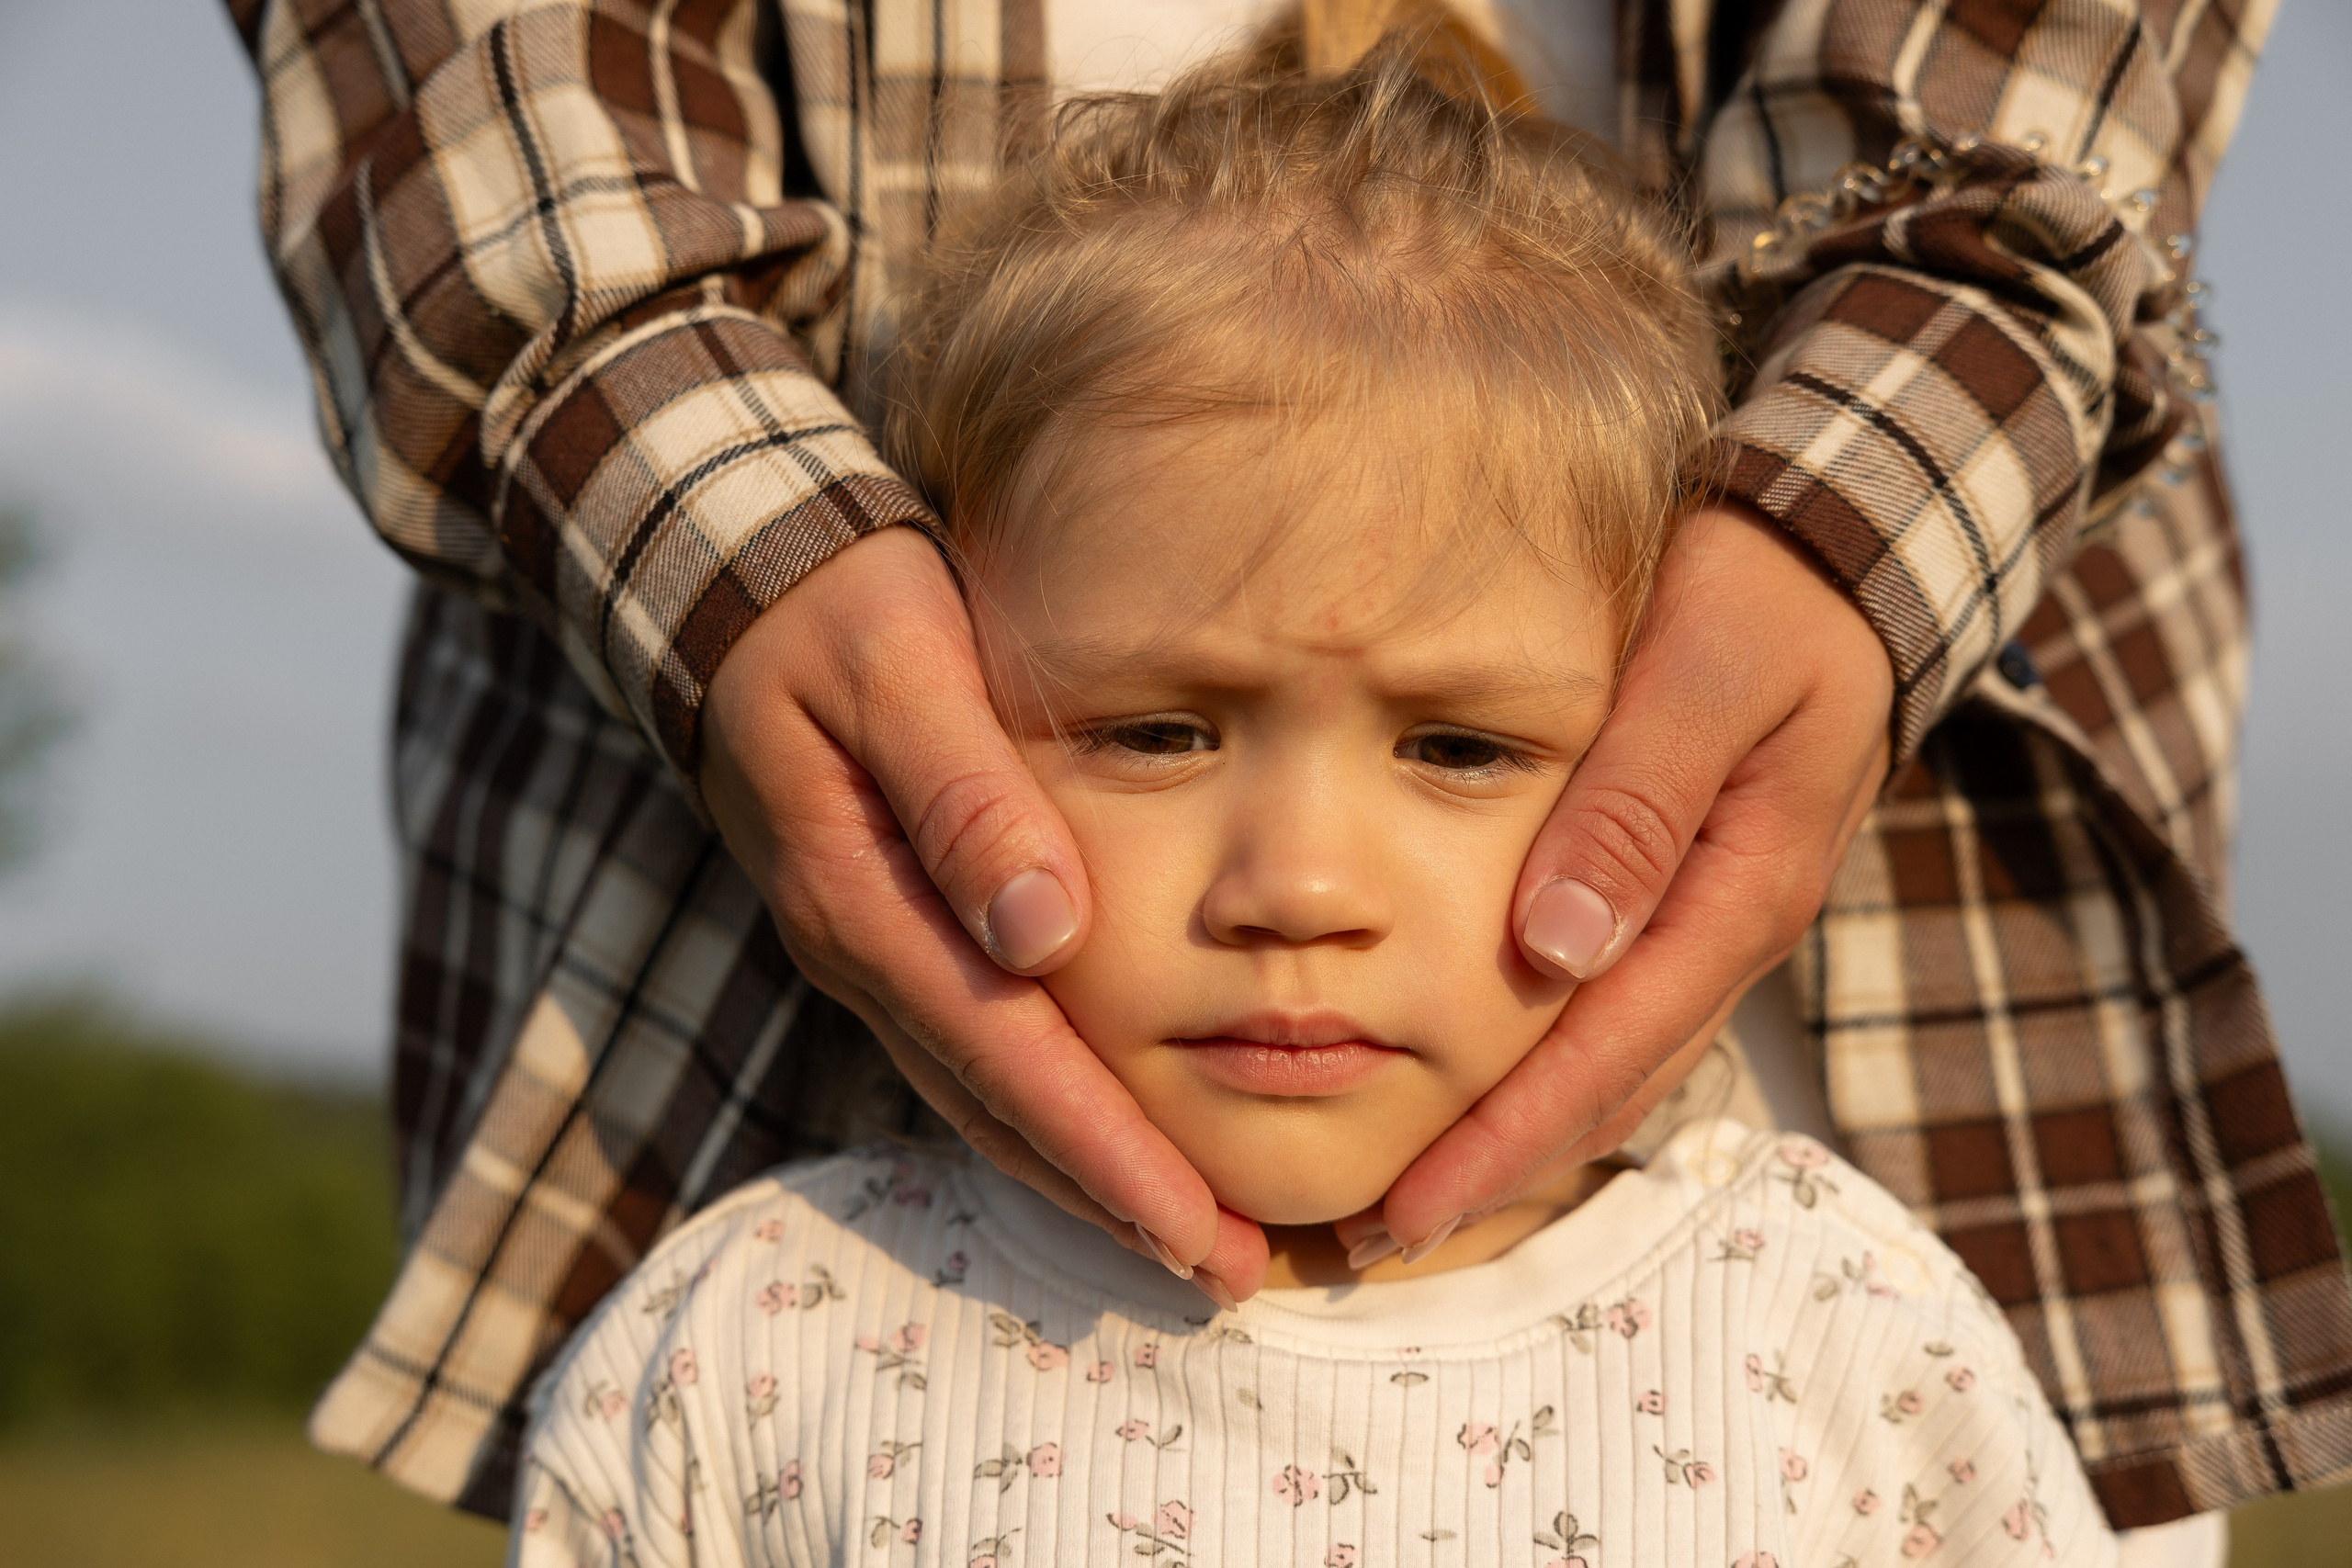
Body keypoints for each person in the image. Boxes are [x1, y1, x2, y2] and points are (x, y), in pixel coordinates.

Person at [223, 0, 2348, 1546]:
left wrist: (1874, 481)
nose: (1296, 880)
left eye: (1457, 741)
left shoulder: (1845, 1337)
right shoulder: (756, 1338)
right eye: (1152, 728)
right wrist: (691, 506)